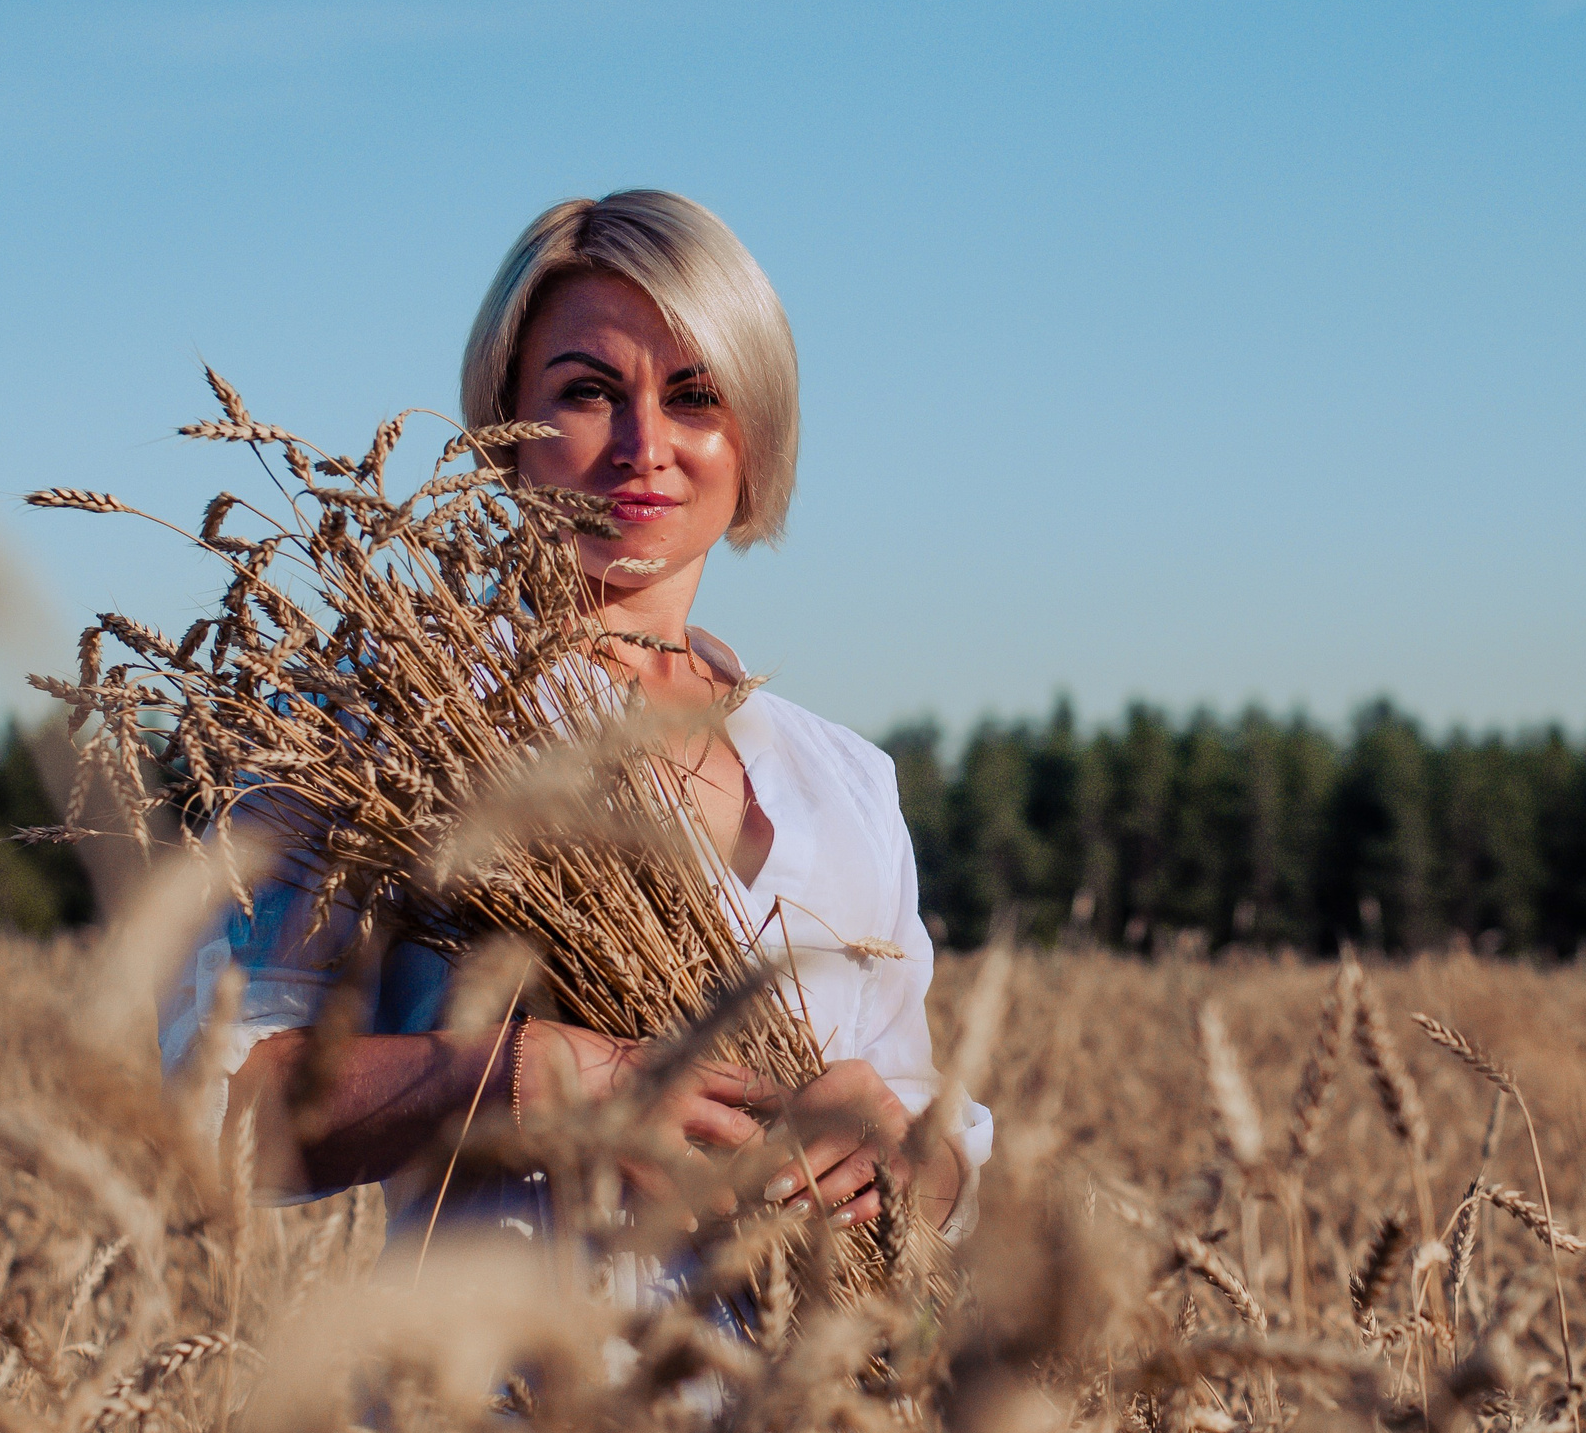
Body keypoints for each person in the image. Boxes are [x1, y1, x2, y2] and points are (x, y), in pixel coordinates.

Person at [158, 189, 987, 1253]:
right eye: (590, 391)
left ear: (754, 430)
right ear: (505, 428)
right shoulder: (392, 720)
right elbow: (217, 1107)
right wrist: (512, 1077)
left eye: (696, 395)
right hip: (491, 1408)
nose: (645, 445)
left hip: (809, 1412)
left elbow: (920, 1124)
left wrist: (915, 1158)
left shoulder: (848, 782)